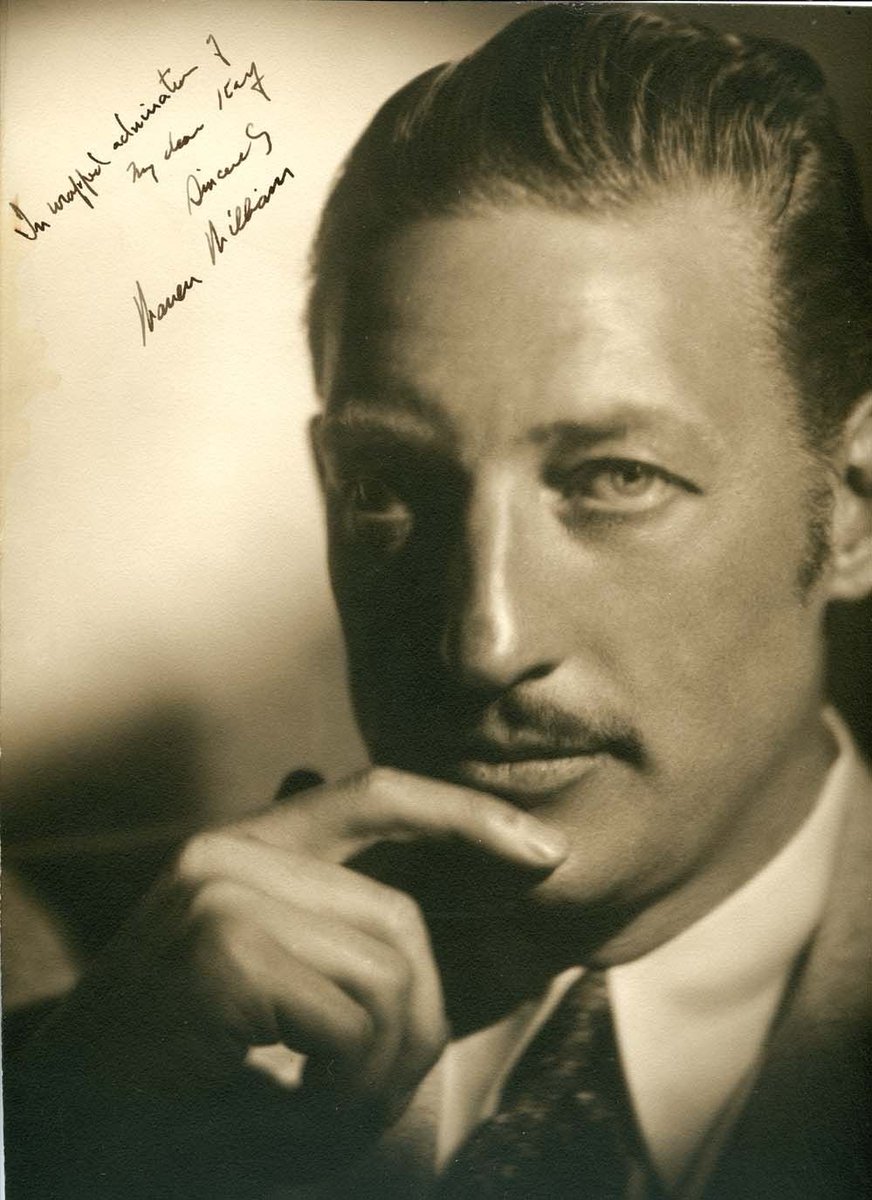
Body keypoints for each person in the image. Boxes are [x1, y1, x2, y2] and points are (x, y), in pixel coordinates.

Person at [7, 6, 872, 1197]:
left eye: (613, 479)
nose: (483, 641)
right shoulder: (60, 1008)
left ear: (852, 507)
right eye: (384, 489)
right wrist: (65, 1133)